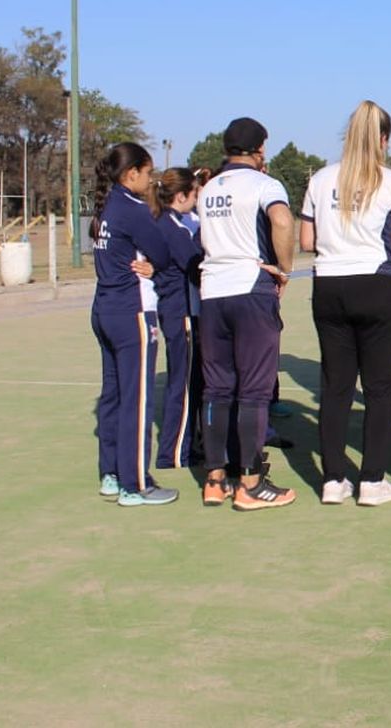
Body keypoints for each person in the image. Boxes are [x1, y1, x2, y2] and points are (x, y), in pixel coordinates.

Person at [300, 100, 391, 507]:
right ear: (383, 139)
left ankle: (333, 480)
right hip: (376, 286)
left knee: (336, 388)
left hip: (329, 285)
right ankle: (372, 481)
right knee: (380, 389)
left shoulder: (320, 179)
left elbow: (307, 242)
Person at [196, 118, 298, 511]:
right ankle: (252, 484)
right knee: (254, 391)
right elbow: (282, 221)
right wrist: (284, 269)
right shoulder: (264, 184)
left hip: (213, 291)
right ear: (259, 149)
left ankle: (215, 478)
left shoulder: (209, 189)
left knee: (217, 389)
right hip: (250, 286)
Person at [89, 142, 176, 507]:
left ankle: (111, 474)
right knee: (137, 399)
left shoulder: (107, 206)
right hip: (132, 311)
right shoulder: (134, 208)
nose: (152, 178)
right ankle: (135, 484)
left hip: (104, 309)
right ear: (131, 174)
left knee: (113, 395)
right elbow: (162, 250)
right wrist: (155, 265)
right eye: (148, 172)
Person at [153, 168, 204, 471]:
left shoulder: (171, 224)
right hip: (181, 312)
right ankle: (172, 454)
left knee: (191, 382)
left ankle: (186, 445)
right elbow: (195, 268)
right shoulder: (173, 228)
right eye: (195, 193)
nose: (197, 199)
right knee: (183, 385)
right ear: (181, 195)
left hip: (182, 311)